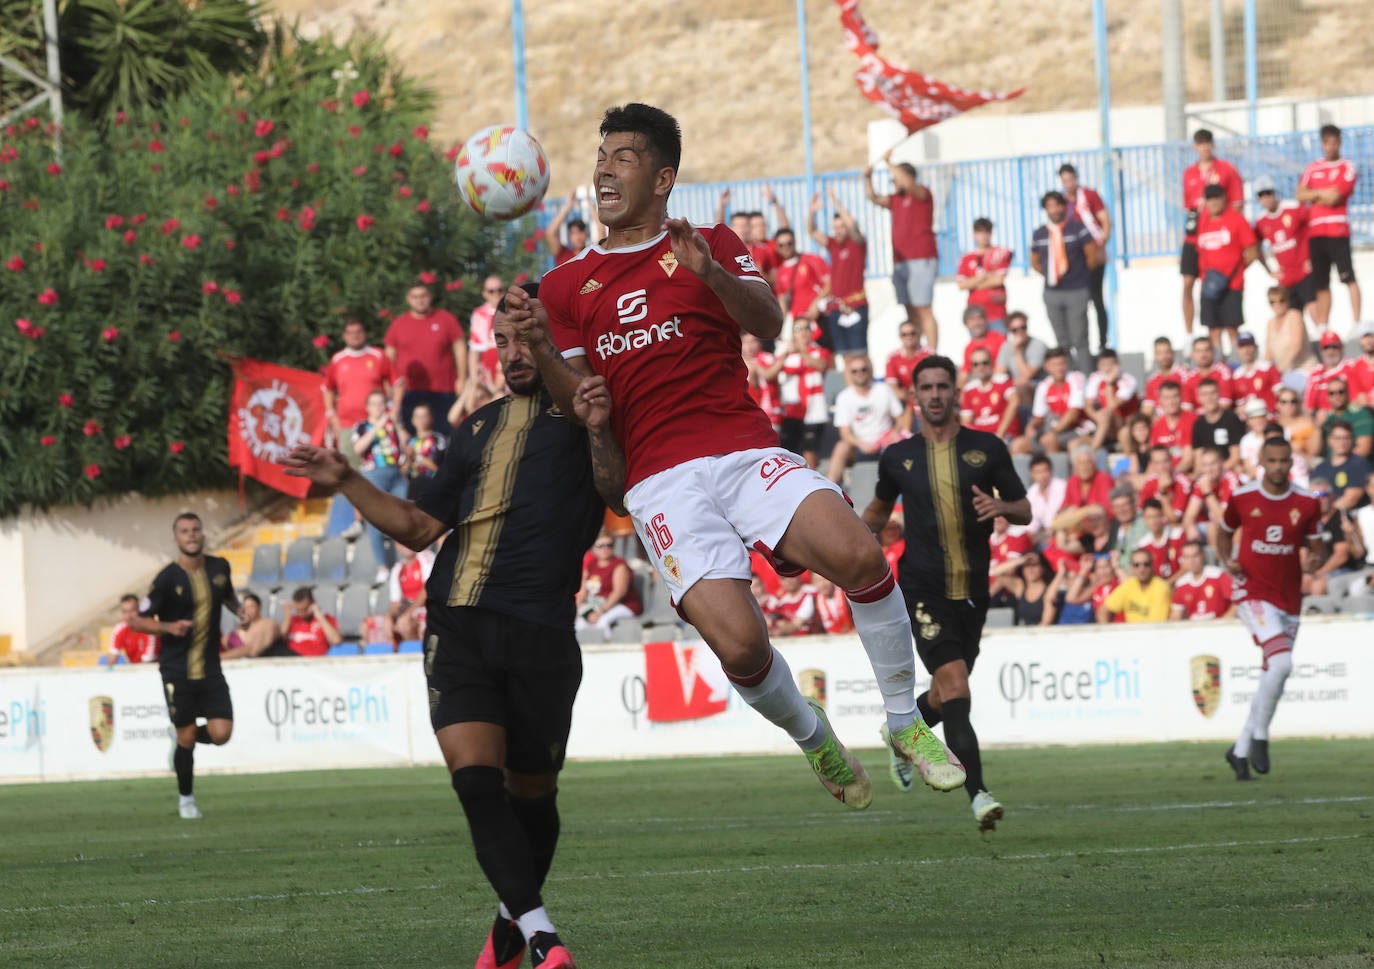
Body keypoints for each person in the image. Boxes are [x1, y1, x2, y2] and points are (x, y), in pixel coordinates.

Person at [511, 103, 969, 812]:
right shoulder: (566, 285)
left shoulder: (709, 241)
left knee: (861, 557)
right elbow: (580, 403)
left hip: (742, 447)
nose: (604, 166)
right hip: (659, 482)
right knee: (744, 650)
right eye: (602, 154)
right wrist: (541, 348)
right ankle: (814, 735)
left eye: (624, 156)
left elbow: (769, 321)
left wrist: (711, 277)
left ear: (662, 178)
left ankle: (904, 720)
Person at [285, 284, 625, 969]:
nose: (511, 352)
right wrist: (348, 477)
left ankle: (509, 926)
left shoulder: (594, 411)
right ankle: (544, 937)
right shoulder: (474, 426)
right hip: (458, 625)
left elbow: (617, 494)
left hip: (541, 632)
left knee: (533, 792)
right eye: (500, 341)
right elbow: (416, 528)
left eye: (525, 336)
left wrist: (596, 425)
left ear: (556, 338)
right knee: (476, 782)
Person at [862, 355, 1032, 831]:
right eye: (926, 388)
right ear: (914, 396)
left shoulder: (987, 447)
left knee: (942, 694)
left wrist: (1000, 506)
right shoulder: (898, 456)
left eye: (942, 386)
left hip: (973, 590)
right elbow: (876, 513)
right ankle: (979, 794)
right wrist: (846, 548)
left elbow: (1024, 509)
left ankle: (901, 734)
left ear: (956, 392)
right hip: (921, 588)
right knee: (957, 685)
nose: (935, 395)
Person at [1217, 436, 1325, 781]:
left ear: (1291, 462)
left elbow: (1317, 545)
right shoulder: (1243, 496)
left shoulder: (1307, 502)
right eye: (1272, 461)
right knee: (1281, 662)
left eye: (1284, 461)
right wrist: (1227, 559)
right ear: (1262, 461)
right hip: (1252, 591)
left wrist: (1314, 561)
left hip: (1289, 597)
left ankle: (1240, 750)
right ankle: (1261, 738)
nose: (1278, 467)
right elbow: (1223, 531)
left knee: (1273, 674)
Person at [127, 512, 238, 820]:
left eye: (195, 530)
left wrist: (240, 611)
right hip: (177, 670)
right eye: (184, 531)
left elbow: (228, 595)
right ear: (176, 539)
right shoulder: (166, 579)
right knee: (187, 737)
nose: (191, 535)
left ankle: (180, 738)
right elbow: (137, 621)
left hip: (211, 667)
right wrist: (169, 627)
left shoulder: (220, 567)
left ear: (203, 534)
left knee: (221, 734)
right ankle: (186, 800)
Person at [866, 150, 940, 349]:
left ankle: (932, 351)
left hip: (921, 258)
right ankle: (917, 349)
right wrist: (867, 177)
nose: (894, 183)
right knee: (909, 308)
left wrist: (889, 162)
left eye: (895, 179)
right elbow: (873, 197)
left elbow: (908, 184)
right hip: (901, 262)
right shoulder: (895, 200)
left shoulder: (922, 193)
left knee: (924, 307)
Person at [385, 277, 466, 436]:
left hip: (442, 389)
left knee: (444, 435)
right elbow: (389, 357)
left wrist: (462, 378)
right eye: (415, 297)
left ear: (429, 297)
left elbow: (460, 348)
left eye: (423, 296)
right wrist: (390, 386)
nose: (420, 300)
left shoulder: (445, 319)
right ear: (409, 299)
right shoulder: (399, 324)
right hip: (409, 391)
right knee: (411, 436)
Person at [1181, 129, 1244, 334]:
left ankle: (1228, 337)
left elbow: (1236, 204)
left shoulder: (1226, 170)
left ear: (1212, 145)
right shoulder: (1189, 173)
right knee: (1188, 283)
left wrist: (1222, 226)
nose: (1204, 147)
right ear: (1195, 147)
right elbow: (1189, 208)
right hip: (1194, 236)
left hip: (1217, 237)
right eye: (1200, 143)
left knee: (1220, 283)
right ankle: (1189, 334)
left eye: (1207, 143)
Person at [1297, 123, 1361, 327]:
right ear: (1322, 144)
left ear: (1339, 143)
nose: (1330, 147)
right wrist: (1322, 193)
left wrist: (1314, 194)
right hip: (1316, 232)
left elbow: (1335, 197)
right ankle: (1323, 326)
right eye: (1327, 143)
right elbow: (1300, 195)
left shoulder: (1347, 166)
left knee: (1348, 277)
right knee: (1321, 282)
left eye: (1334, 142)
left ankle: (1357, 323)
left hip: (1337, 230)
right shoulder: (1312, 167)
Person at [1030, 191, 1100, 372]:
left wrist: (1078, 276)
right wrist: (1051, 274)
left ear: (1064, 206)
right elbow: (1035, 261)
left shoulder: (1077, 228)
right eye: (1049, 206)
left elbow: (1092, 257)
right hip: (1052, 292)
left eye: (1057, 205)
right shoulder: (1040, 233)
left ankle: (1086, 380)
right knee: (1062, 341)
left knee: (1080, 339)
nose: (1054, 210)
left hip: (1076, 290)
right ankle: (1068, 379)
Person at [1195, 183, 1259, 355]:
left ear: (1224, 199)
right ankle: (1217, 365)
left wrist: (1236, 271)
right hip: (1208, 286)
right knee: (1213, 329)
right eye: (1210, 198)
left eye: (1217, 197)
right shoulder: (1202, 221)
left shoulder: (1236, 219)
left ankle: (1236, 363)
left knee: (1232, 328)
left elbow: (1252, 250)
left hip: (1232, 285)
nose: (1214, 202)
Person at [807, 187, 869, 359]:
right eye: (835, 227)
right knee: (844, 356)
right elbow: (812, 232)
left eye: (841, 226)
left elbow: (853, 226)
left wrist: (836, 203)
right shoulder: (833, 244)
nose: (838, 230)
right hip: (836, 307)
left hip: (855, 306)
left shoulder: (857, 244)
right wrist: (811, 213)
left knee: (860, 354)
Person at [353, 389, 409, 580]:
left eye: (381, 403)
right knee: (375, 520)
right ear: (368, 407)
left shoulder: (391, 424)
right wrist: (377, 426)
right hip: (373, 475)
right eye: (374, 404)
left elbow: (406, 444)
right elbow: (358, 448)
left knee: (401, 517)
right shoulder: (361, 426)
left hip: (395, 475)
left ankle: (406, 561)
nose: (379, 407)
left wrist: (397, 425)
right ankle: (382, 567)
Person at [827, 354, 908, 484]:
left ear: (869, 370)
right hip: (859, 446)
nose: (860, 373)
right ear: (849, 374)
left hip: (885, 442)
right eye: (855, 371)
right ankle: (830, 487)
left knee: (900, 444)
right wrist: (861, 444)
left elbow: (900, 419)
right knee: (841, 446)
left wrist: (894, 433)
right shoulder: (844, 397)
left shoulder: (884, 390)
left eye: (863, 369)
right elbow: (845, 434)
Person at [1059, 163, 1112, 349]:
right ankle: (1081, 343)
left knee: (1097, 298)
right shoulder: (1063, 203)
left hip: (1093, 255)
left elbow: (1105, 220)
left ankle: (1103, 341)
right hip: (1076, 261)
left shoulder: (1089, 196)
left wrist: (1101, 245)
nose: (1068, 184)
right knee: (1080, 302)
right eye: (1065, 181)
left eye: (1071, 179)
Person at [1252, 175, 1315, 318]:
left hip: (1304, 271)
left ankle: (1324, 338)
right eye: (1262, 195)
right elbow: (1255, 247)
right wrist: (1269, 270)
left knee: (1314, 309)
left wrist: (1311, 257)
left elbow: (1313, 227)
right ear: (1258, 199)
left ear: (1274, 193)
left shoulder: (1292, 208)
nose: (1266, 198)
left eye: (1268, 193)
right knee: (1293, 317)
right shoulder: (1261, 220)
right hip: (1285, 278)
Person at [575, 534, 643, 641]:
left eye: (609, 545)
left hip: (623, 605)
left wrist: (599, 612)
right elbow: (583, 592)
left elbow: (619, 593)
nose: (605, 548)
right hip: (596, 604)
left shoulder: (619, 565)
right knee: (579, 624)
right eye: (600, 545)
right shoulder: (591, 564)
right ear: (594, 547)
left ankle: (607, 648)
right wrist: (576, 611)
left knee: (602, 622)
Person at [1025, 346, 1089, 454]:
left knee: (1050, 440)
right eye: (1054, 365)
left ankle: (1055, 470)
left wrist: (1053, 431)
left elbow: (1073, 413)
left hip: (1079, 429)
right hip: (1054, 430)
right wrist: (1031, 426)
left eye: (1062, 364)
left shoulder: (1077, 378)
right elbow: (1039, 416)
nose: (1059, 368)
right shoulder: (1044, 385)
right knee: (1019, 445)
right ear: (1046, 367)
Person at [955, 217, 1012, 333]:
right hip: (975, 316)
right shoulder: (966, 258)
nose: (984, 236)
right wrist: (983, 277)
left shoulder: (999, 253)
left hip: (997, 313)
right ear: (974, 234)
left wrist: (972, 283)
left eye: (987, 232)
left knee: (1000, 346)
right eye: (980, 232)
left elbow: (998, 280)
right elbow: (961, 285)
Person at [462, 275, 507, 419]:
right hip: (489, 364)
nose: (497, 294)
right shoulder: (479, 314)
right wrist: (473, 376)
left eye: (500, 290)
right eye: (492, 291)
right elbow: (475, 349)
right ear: (485, 293)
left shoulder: (511, 311)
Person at [1083, 348, 1138, 453]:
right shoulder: (1095, 378)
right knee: (1075, 443)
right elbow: (1088, 405)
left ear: (1117, 364)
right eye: (1104, 365)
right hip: (1105, 423)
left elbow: (1113, 406)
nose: (1107, 369)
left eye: (1111, 364)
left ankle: (1092, 453)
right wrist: (1097, 416)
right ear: (1099, 365)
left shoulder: (1128, 380)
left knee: (1107, 414)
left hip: (1124, 423)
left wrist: (1110, 383)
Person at [1096, 550, 1172, 623]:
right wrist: (1107, 635)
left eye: (1146, 564)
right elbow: (1102, 611)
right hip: (1131, 634)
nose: (1142, 569)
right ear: (1131, 568)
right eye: (1137, 565)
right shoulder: (1129, 585)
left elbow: (1155, 624)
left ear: (1152, 566)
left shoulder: (1161, 587)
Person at [959, 348, 1019, 440]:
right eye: (976, 364)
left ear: (991, 363)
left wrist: (999, 435)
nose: (980, 367)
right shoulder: (969, 389)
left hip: (1005, 437)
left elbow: (1014, 402)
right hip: (981, 440)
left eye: (984, 363)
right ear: (972, 367)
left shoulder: (1003, 380)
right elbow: (966, 422)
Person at [1313, 421, 1372, 512]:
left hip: (1351, 516)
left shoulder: (1360, 465)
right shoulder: (1321, 468)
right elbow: (1314, 493)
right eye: (1337, 438)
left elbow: (1350, 500)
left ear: (1352, 440)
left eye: (1346, 438)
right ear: (1330, 440)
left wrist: (1326, 512)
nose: (1342, 442)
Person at [1264, 286, 1316, 387]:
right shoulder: (1270, 323)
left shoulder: (1294, 316)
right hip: (1283, 373)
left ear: (1287, 301)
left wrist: (1278, 370)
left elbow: (1296, 347)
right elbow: (1268, 352)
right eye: (1272, 302)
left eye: (1281, 300)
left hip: (1302, 370)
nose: (1277, 304)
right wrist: (1263, 371)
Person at [1170, 540, 1234, 621]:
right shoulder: (1181, 584)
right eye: (1187, 557)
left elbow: (1237, 603)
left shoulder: (1218, 575)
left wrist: (1223, 623)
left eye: (1195, 556)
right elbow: (1176, 615)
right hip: (1194, 630)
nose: (1191, 561)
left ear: (1202, 556)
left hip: (1220, 628)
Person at [1191, 378, 1246, 470]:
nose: (1209, 398)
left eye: (1212, 393)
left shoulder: (1232, 419)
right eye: (1204, 394)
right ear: (1199, 398)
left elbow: (1235, 457)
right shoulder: (1198, 425)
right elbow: (1198, 460)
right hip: (1207, 473)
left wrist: (1217, 472)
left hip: (1228, 471)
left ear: (1219, 394)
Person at [385, 543, 434, 644]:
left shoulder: (426, 557)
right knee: (368, 625)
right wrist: (389, 617)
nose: (405, 544)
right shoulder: (397, 569)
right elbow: (395, 604)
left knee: (405, 624)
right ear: (396, 545)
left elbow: (427, 589)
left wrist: (408, 614)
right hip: (409, 611)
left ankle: (418, 654)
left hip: (429, 609)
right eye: (400, 542)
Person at [996, 311, 1048, 405]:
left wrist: (1017, 351)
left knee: (1022, 387)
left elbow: (1027, 376)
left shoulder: (1038, 345)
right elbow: (998, 374)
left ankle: (1027, 417)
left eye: (1023, 328)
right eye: (1015, 330)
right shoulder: (1006, 347)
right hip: (1016, 384)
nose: (1020, 332)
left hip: (1039, 384)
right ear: (1009, 331)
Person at [1318, 378, 1374, 459]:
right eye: (1332, 393)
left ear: (1347, 393)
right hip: (1331, 464)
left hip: (1357, 465)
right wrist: (1318, 427)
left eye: (1341, 392)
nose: (1336, 396)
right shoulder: (1326, 417)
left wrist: (1338, 463)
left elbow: (1363, 450)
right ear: (1327, 397)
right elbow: (1314, 451)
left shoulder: (1362, 414)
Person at [220, 593, 288, 659]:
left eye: (251, 606)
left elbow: (254, 649)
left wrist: (221, 658)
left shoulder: (267, 623)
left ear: (259, 606)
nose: (248, 610)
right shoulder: (239, 630)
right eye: (245, 607)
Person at [282, 587, 343, 656]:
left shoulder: (326, 619)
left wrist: (319, 615)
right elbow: (281, 640)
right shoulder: (291, 620)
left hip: (315, 662)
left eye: (305, 609)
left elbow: (336, 641)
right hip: (291, 661)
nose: (302, 614)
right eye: (298, 610)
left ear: (313, 603)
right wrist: (287, 619)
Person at [1141, 337, 1194, 417]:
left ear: (1173, 353)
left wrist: (1160, 422)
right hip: (1160, 423)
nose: (1164, 357)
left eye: (1167, 352)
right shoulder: (1152, 380)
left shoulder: (1185, 376)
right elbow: (1146, 411)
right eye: (1160, 353)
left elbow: (1187, 410)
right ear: (1155, 356)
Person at [884, 319, 931, 410]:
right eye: (904, 334)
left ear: (919, 334)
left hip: (925, 400)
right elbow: (893, 388)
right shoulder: (893, 358)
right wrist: (911, 402)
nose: (909, 337)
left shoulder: (929, 354)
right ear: (900, 337)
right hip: (904, 402)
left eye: (912, 333)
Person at [1232, 331, 1281, 417]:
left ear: (1255, 347)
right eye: (1242, 346)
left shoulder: (1268, 368)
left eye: (1249, 345)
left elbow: (1280, 395)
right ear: (1237, 350)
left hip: (1270, 417)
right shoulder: (1236, 375)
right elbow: (1239, 406)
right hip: (1249, 421)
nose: (1246, 350)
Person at [958, 306, 1006, 384]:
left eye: (979, 318)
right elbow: (964, 374)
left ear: (985, 320)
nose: (977, 323)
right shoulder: (968, 348)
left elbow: (1003, 368)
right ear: (966, 324)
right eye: (972, 319)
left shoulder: (1000, 339)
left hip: (998, 382)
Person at [108, 593, 158, 664]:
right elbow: (111, 661)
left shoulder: (149, 630)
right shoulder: (119, 629)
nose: (128, 616)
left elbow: (146, 664)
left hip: (155, 670)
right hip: (136, 669)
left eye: (132, 611)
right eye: (125, 612)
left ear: (139, 611)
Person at [543, 195, 592, 267]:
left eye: (580, 232)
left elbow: (601, 230)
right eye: (574, 233)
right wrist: (568, 205)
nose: (578, 236)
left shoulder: (592, 255)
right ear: (570, 237)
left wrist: (589, 202)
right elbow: (550, 233)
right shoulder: (562, 254)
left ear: (586, 234)